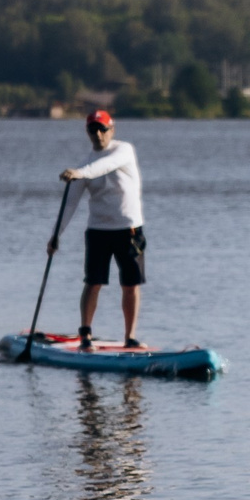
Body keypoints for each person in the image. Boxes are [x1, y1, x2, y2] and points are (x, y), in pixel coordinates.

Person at [47, 110, 147, 348]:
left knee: (130, 285)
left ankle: (130, 338)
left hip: (129, 230)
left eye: (102, 129)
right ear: (88, 132)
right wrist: (55, 236)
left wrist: (80, 173)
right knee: (93, 283)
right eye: (93, 129)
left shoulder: (124, 151)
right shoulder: (84, 165)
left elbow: (105, 166)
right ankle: (86, 335)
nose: (98, 134)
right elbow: (69, 204)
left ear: (112, 130)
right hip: (98, 231)